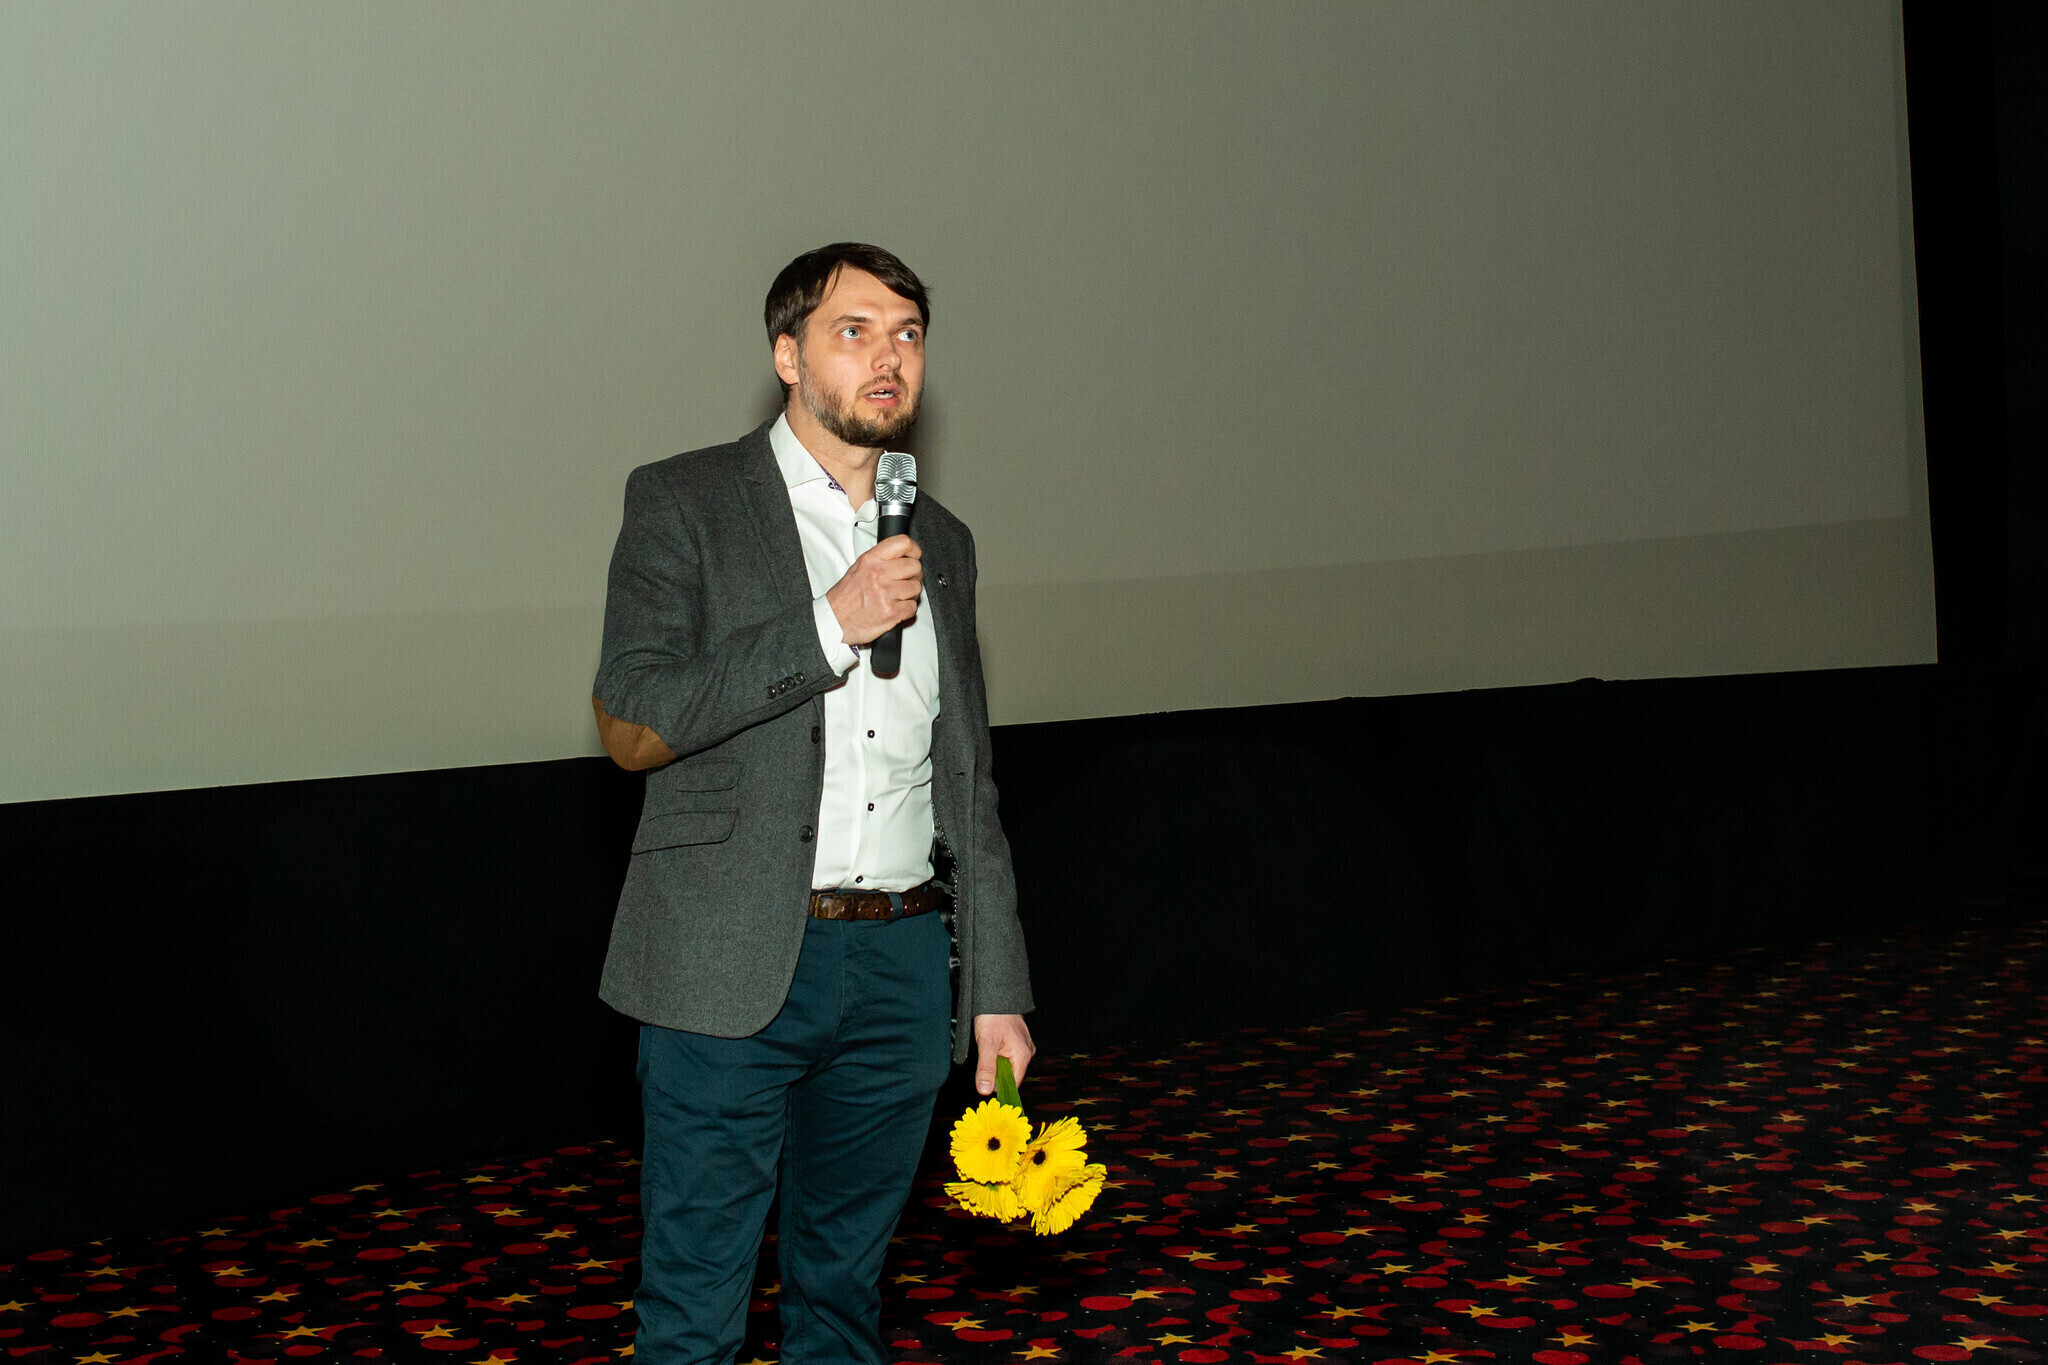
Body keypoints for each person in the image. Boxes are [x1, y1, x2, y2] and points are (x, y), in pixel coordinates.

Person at [589, 242, 1036, 1365]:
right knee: (694, 1311)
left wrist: (994, 989)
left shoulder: (943, 542)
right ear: (787, 356)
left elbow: (967, 785)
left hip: (898, 971)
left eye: (908, 334)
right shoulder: (686, 501)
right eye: (855, 330)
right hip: (728, 959)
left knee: (843, 1302)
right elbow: (630, 722)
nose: (889, 357)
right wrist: (830, 622)